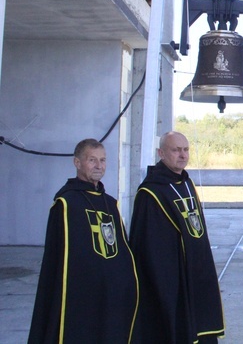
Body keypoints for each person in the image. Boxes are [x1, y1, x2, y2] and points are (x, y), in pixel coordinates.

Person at [28, 139, 138, 343]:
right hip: (81, 295)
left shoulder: (110, 203)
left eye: (103, 160)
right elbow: (59, 258)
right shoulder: (66, 203)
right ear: (77, 163)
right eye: (92, 160)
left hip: (110, 294)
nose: (99, 166)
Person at [129, 131, 224, 343]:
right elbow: (148, 244)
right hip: (171, 275)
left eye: (185, 149)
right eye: (175, 150)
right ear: (161, 153)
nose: (182, 155)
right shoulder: (151, 191)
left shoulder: (186, 183)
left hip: (195, 269)